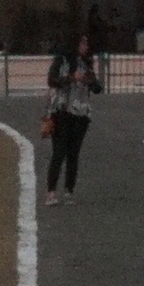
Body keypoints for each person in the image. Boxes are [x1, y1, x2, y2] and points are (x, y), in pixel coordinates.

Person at [41, 13, 101, 198]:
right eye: (82, 43)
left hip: (81, 112)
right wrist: (70, 78)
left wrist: (90, 81)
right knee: (59, 151)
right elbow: (52, 80)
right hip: (62, 109)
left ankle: (69, 189)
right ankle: (51, 191)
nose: (85, 46)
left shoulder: (87, 63)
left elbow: (97, 88)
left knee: (74, 153)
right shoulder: (62, 60)